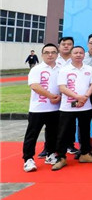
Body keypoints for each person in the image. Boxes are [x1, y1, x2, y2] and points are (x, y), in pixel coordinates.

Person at [52, 46, 92, 171]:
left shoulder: (89, 69)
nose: (78, 55)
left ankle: (85, 154)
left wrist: (85, 97)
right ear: (71, 55)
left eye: (81, 53)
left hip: (85, 105)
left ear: (84, 55)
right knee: (63, 132)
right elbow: (62, 87)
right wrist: (78, 97)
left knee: (85, 131)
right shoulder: (64, 70)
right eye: (76, 53)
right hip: (68, 106)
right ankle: (61, 157)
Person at [22, 44, 61, 172]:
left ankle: (50, 154)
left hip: (55, 108)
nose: (50, 55)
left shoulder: (61, 69)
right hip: (38, 108)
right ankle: (28, 159)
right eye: (47, 52)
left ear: (57, 54)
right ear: (42, 55)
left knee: (52, 133)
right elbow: (34, 86)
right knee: (32, 134)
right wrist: (50, 96)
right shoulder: (36, 69)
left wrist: (59, 97)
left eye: (53, 52)